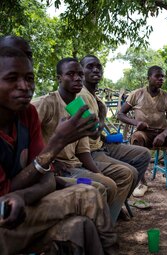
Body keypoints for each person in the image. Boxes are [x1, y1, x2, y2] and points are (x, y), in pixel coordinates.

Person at [0, 46, 117, 254]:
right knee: (90, 195)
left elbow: (46, 177)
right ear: (59, 78)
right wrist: (57, 143)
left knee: (82, 225)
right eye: (11, 78)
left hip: (32, 198)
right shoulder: (45, 105)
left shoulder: (27, 115)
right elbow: (7, 196)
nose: (25, 86)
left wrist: (24, 195)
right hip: (6, 221)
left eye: (29, 78)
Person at [34, 57, 134, 224]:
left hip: (73, 166)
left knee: (115, 180)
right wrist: (49, 163)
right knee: (102, 187)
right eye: (70, 74)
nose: (77, 78)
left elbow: (83, 150)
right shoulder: (46, 103)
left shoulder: (80, 108)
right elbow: (27, 137)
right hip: (53, 168)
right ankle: (98, 231)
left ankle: (106, 224)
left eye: (80, 74)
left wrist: (97, 173)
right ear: (59, 78)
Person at [79, 55, 151, 198]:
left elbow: (96, 132)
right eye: (90, 67)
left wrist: (105, 137)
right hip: (90, 151)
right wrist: (103, 114)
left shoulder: (95, 97)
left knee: (144, 154)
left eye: (98, 67)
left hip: (101, 145)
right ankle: (115, 206)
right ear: (81, 71)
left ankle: (120, 200)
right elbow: (92, 132)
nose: (95, 70)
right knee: (130, 171)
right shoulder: (81, 95)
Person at [118, 65, 167, 192]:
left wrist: (163, 135)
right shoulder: (137, 94)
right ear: (148, 78)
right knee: (136, 138)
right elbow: (120, 114)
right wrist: (136, 123)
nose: (161, 79)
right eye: (157, 76)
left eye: (162, 76)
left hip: (163, 134)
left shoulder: (166, 96)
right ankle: (142, 182)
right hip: (144, 134)